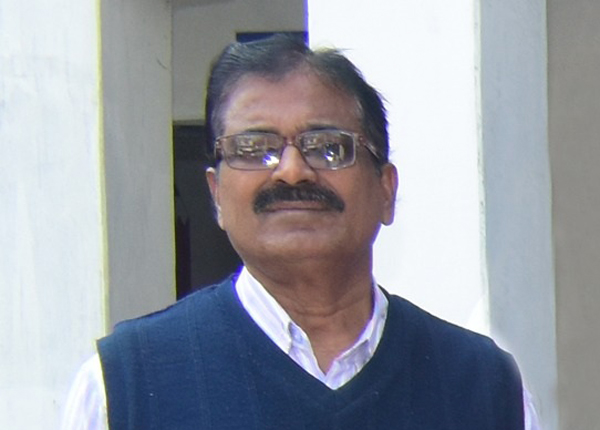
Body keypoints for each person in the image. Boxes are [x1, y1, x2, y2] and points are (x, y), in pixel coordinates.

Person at [62, 35, 540, 430]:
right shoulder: (124, 386)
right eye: (254, 148)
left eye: (328, 147)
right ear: (216, 195)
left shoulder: (484, 386)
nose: (292, 171)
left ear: (386, 190)